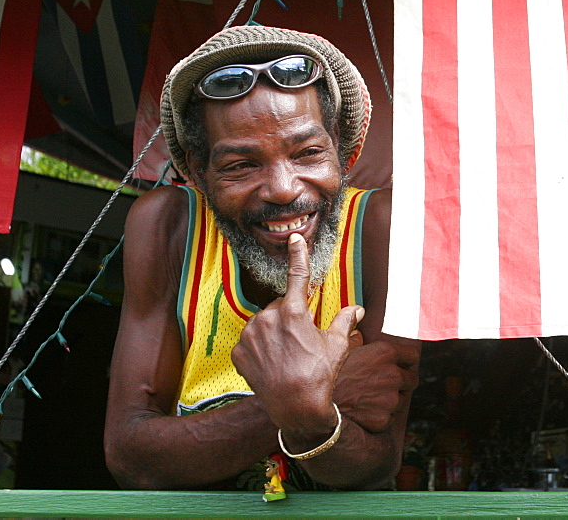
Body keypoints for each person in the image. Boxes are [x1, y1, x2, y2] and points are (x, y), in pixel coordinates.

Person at [104, 26, 421, 491]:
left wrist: (287, 407)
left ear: (341, 148)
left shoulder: (381, 228)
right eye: (241, 165)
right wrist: (302, 401)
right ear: (198, 170)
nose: (283, 188)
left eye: (308, 153)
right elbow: (131, 456)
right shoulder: (168, 225)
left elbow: (375, 462)